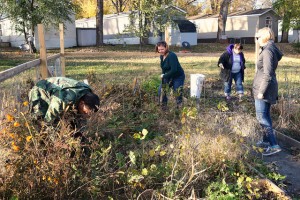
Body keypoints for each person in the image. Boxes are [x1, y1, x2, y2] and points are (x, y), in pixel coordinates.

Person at [253, 27, 283, 156]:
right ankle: (266, 141)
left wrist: (261, 91)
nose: (256, 39)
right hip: (266, 87)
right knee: (266, 115)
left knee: (262, 117)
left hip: (264, 88)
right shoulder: (270, 48)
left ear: (264, 37)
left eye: (257, 37)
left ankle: (274, 145)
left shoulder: (267, 51)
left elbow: (268, 74)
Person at [29, 77, 100, 123]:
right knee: (38, 120)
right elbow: (49, 119)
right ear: (81, 103)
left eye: (89, 114)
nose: (86, 116)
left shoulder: (87, 94)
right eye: (85, 112)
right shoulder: (65, 99)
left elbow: (81, 120)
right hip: (41, 90)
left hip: (57, 92)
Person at [156, 41, 185, 109]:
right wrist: (163, 75)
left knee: (177, 91)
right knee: (161, 90)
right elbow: (164, 68)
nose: (160, 51)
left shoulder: (172, 55)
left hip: (178, 76)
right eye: (159, 49)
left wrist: (164, 76)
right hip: (168, 76)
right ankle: (163, 107)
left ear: (166, 48)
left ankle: (179, 107)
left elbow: (174, 70)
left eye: (162, 49)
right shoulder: (162, 56)